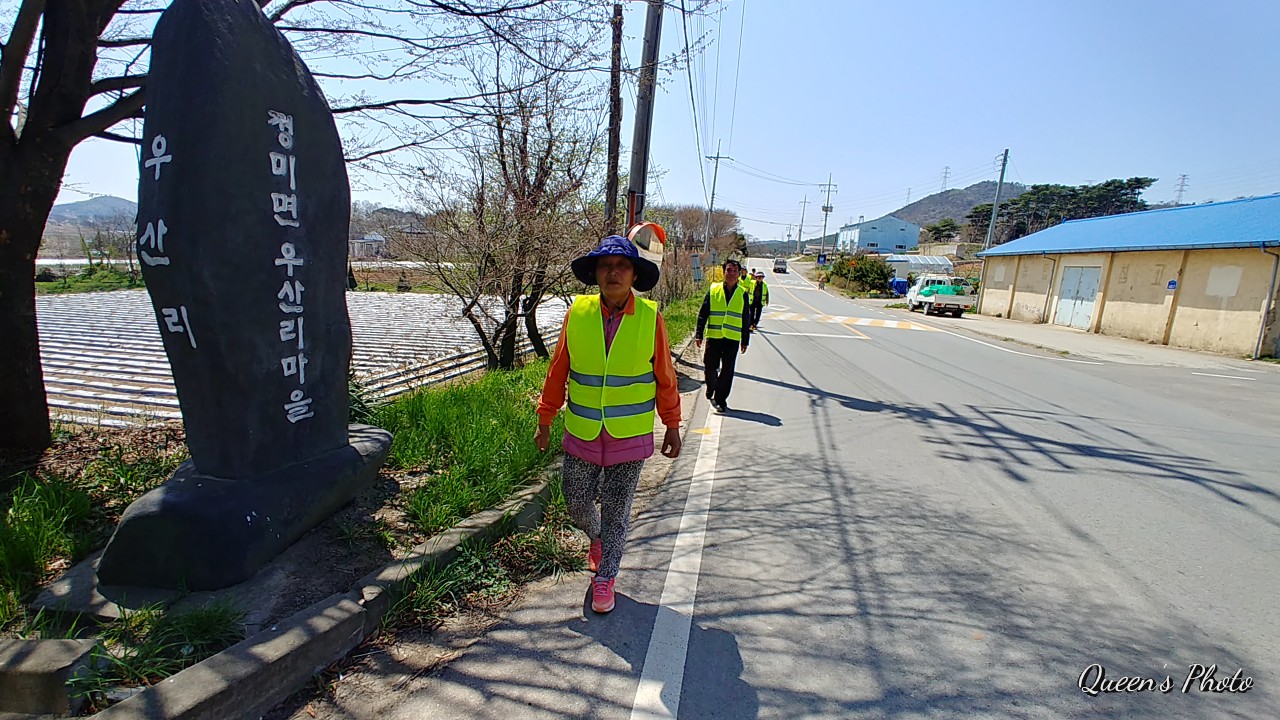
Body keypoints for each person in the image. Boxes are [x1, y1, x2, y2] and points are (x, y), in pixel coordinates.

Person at [535, 234, 683, 614]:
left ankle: (606, 578)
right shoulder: (578, 314)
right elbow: (558, 371)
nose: (612, 272)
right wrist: (545, 418)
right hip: (583, 429)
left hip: (629, 435)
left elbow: (665, 376)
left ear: (634, 274)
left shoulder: (651, 318)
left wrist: (671, 424)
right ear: (596, 274)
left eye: (621, 266)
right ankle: (598, 536)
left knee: (618, 508)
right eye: (605, 266)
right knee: (576, 500)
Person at [695, 259, 750, 414]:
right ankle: (711, 386)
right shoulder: (714, 290)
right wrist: (699, 333)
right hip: (714, 336)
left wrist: (745, 340)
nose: (731, 273)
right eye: (728, 270)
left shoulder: (742, 294)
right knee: (710, 367)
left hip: (732, 339)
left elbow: (746, 318)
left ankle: (721, 400)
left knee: (727, 371)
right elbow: (703, 313)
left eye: (734, 271)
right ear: (724, 272)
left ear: (739, 274)